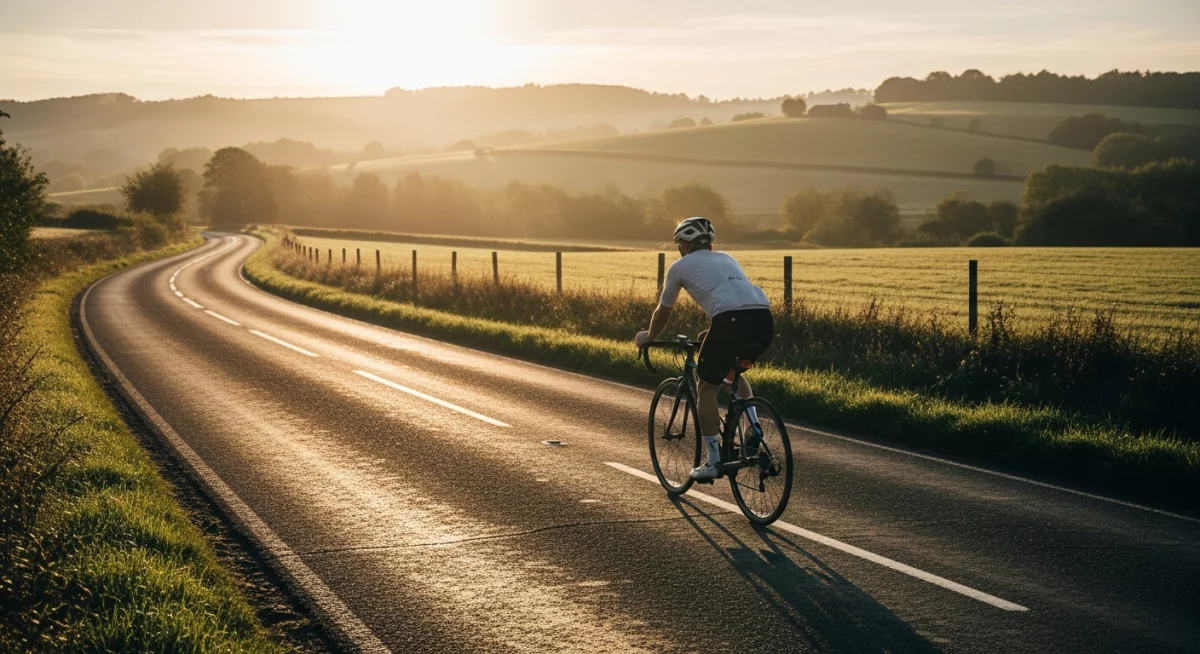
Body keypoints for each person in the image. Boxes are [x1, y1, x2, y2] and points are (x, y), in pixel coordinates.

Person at [635, 217, 774, 481]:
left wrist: (649, 336)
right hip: (763, 320)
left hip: (729, 321)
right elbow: (735, 299)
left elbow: (663, 311)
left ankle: (712, 460)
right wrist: (709, 335)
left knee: (705, 388)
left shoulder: (679, 267)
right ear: (709, 244)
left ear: (684, 246)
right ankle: (753, 426)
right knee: (732, 373)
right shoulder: (728, 259)